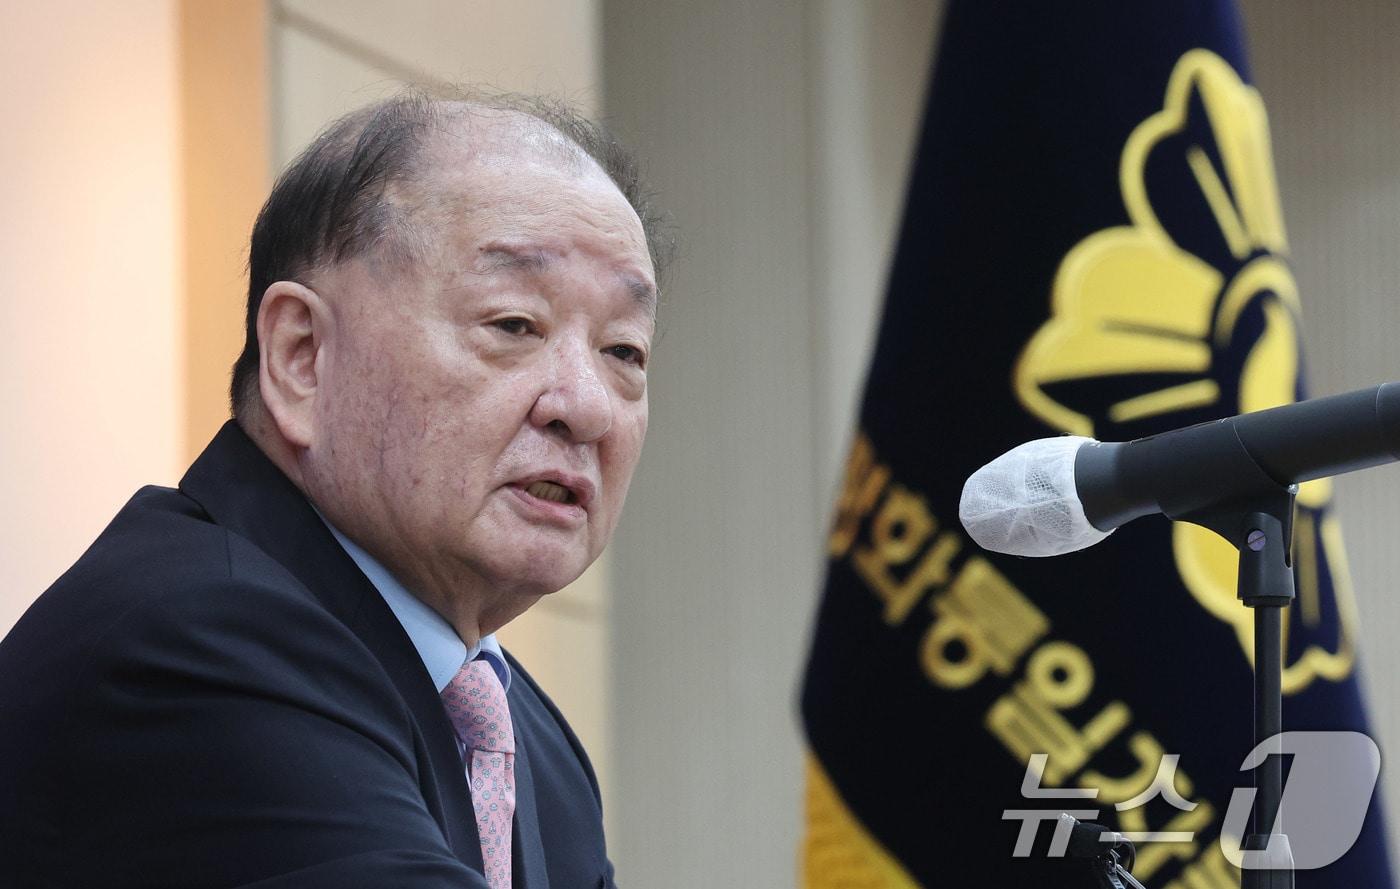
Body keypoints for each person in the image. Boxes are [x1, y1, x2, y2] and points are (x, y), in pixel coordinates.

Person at [0, 89, 668, 889]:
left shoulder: (533, 746)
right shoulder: (196, 643)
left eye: (624, 351)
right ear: (301, 356)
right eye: (514, 325)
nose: (586, 406)